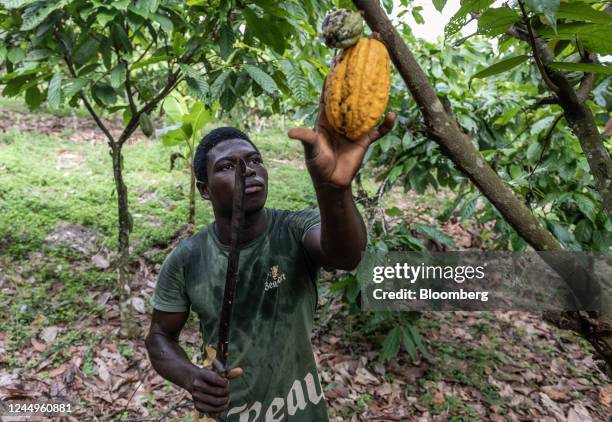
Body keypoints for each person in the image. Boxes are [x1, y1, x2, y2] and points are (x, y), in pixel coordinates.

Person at [144, 95, 395, 421]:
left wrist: (334, 188)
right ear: (204, 189)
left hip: (301, 412)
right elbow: (160, 337)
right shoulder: (187, 259)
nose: (247, 171)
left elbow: (347, 256)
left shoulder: (294, 229)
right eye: (227, 166)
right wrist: (191, 377)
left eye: (254, 160)